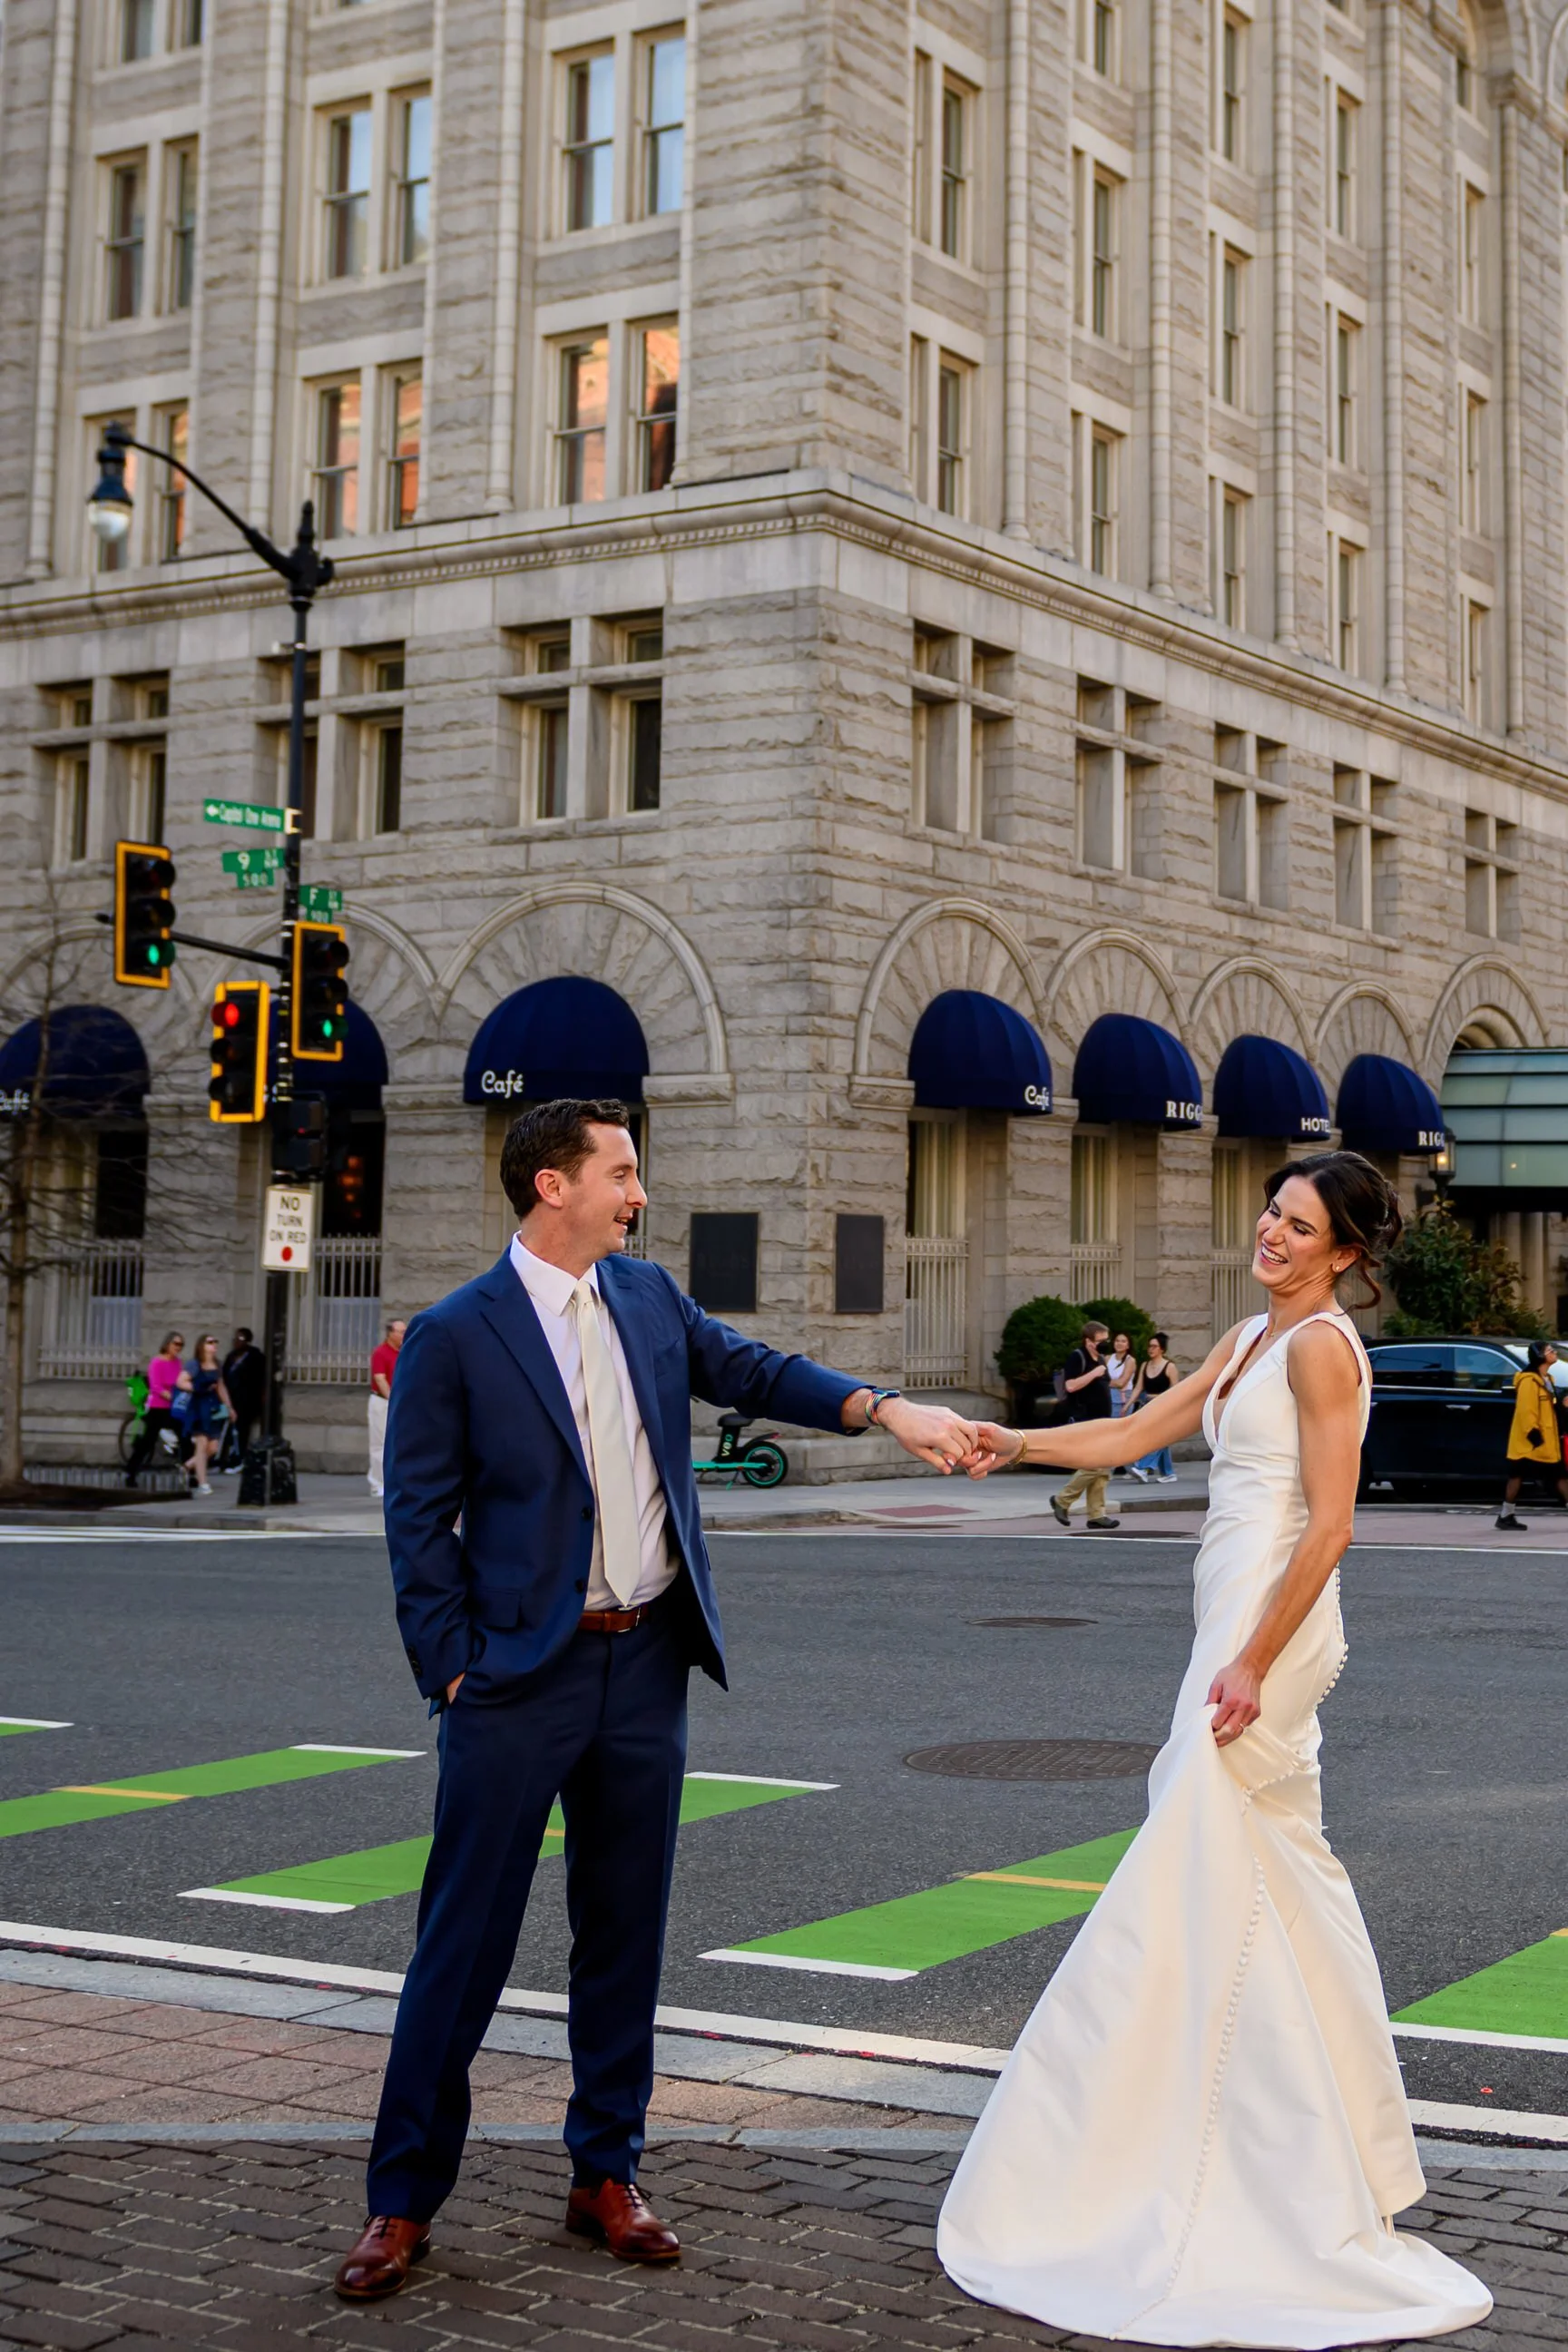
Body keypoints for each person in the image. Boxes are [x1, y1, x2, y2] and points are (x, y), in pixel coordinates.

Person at [333, 1097, 975, 2302]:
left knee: (623, 1935)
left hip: (646, 1664)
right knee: (459, 1946)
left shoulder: (646, 1297)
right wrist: (452, 1665)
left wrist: (892, 1412)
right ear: (552, 1188)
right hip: (517, 1678)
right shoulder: (459, 1334)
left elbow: (759, 1370)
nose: (638, 1192)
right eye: (621, 1173)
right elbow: (415, 1517)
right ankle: (401, 2199)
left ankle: (606, 2172)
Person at [937, 1151, 1491, 2346]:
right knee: (1268, 1880)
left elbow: (1332, 1524)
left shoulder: (1323, 1350)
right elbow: (1136, 1428)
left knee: (1189, 1868)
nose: (1273, 1233)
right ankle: (1303, 2142)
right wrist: (1011, 1444)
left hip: (1269, 1639)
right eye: (1272, 1213)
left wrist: (1249, 1660)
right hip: (1225, 1627)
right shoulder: (1248, 1338)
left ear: (1345, 1252)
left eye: (1300, 1226)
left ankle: (1200, 2153)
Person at [1047, 1320, 1119, 1531]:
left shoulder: (1101, 1359)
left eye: (1107, 1340)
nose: (1105, 1344)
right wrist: (1094, 1373)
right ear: (1088, 1341)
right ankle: (1062, 1500)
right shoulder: (1077, 1357)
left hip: (1103, 1420)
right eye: (1101, 1341)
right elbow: (1070, 1385)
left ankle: (1097, 1514)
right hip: (1086, 1420)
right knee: (1094, 1465)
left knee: (1104, 1467)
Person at [1496, 1338, 1568, 1530]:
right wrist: (1533, 1434)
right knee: (1517, 1475)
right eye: (1549, 1350)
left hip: (1547, 1441)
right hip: (1531, 1442)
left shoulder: (1547, 1380)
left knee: (1560, 1475)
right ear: (1540, 1356)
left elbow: (1550, 1408)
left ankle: (1506, 1515)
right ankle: (1506, 1515)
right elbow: (1526, 1410)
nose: (1553, 1353)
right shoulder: (1529, 1380)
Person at [122, 1331, 185, 1486]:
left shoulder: (178, 1363)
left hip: (173, 1406)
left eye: (181, 1345)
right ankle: (131, 1473)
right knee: (147, 1442)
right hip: (157, 1406)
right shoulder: (156, 1362)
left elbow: (179, 1382)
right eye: (176, 1344)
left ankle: (189, 1472)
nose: (178, 1347)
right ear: (167, 1344)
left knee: (184, 1434)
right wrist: (168, 1395)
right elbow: (155, 1386)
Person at [1127, 1329, 1179, 1483]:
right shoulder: (1145, 1365)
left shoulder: (1170, 1367)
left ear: (1162, 1349)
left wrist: (1160, 1399)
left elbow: (1176, 1390)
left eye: (1154, 1346)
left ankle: (1143, 1468)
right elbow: (1138, 1388)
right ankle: (1168, 1473)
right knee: (1161, 1439)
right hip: (1147, 1406)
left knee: (1158, 1438)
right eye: (1149, 1346)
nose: (1151, 1349)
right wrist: (1128, 1405)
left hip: (1164, 1406)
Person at [182, 1335, 231, 1496]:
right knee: (201, 1445)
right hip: (198, 1407)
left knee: (212, 1448)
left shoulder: (217, 1364)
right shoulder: (194, 1364)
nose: (214, 1345)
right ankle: (203, 1483)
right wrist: (196, 1388)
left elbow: (221, 1387)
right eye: (210, 1342)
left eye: (215, 1341)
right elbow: (180, 1381)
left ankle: (186, 1467)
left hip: (214, 1408)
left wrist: (229, 1407)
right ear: (202, 1345)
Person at [368, 1318, 406, 1498]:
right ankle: (377, 1483)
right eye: (400, 1331)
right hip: (382, 1402)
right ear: (390, 1333)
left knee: (397, 1443)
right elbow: (380, 1378)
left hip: (399, 1402)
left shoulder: (403, 1352)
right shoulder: (381, 1352)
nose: (403, 1335)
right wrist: (392, 1399)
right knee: (380, 1443)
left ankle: (393, 1480)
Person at [221, 1328, 266, 1467]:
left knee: (242, 1430)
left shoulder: (255, 1357)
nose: (236, 1342)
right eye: (235, 1339)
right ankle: (225, 1457)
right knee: (228, 1430)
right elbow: (224, 1377)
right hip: (231, 1399)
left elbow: (262, 1379)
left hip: (247, 1401)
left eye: (240, 1339)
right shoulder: (231, 1357)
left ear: (247, 1341)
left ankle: (239, 1458)